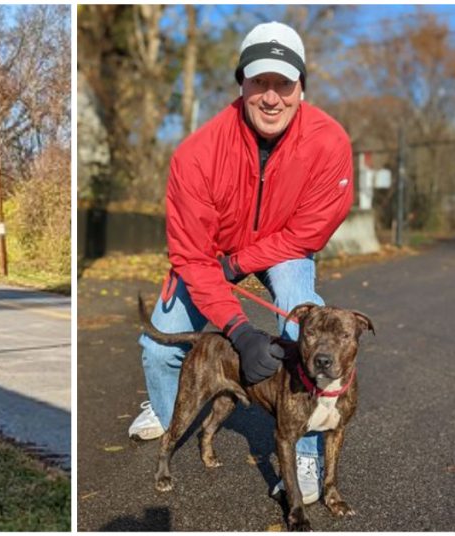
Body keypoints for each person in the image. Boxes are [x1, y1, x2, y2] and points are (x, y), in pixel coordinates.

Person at [129, 21, 353, 504]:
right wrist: (239, 329)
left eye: (283, 84)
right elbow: (190, 253)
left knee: (302, 320)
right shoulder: (196, 154)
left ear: (301, 88)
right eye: (260, 83)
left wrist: (241, 263)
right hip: (210, 257)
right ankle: (169, 413)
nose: (271, 98)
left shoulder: (330, 142)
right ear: (241, 84)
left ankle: (307, 450)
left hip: (282, 249)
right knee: (159, 346)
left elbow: (307, 233)